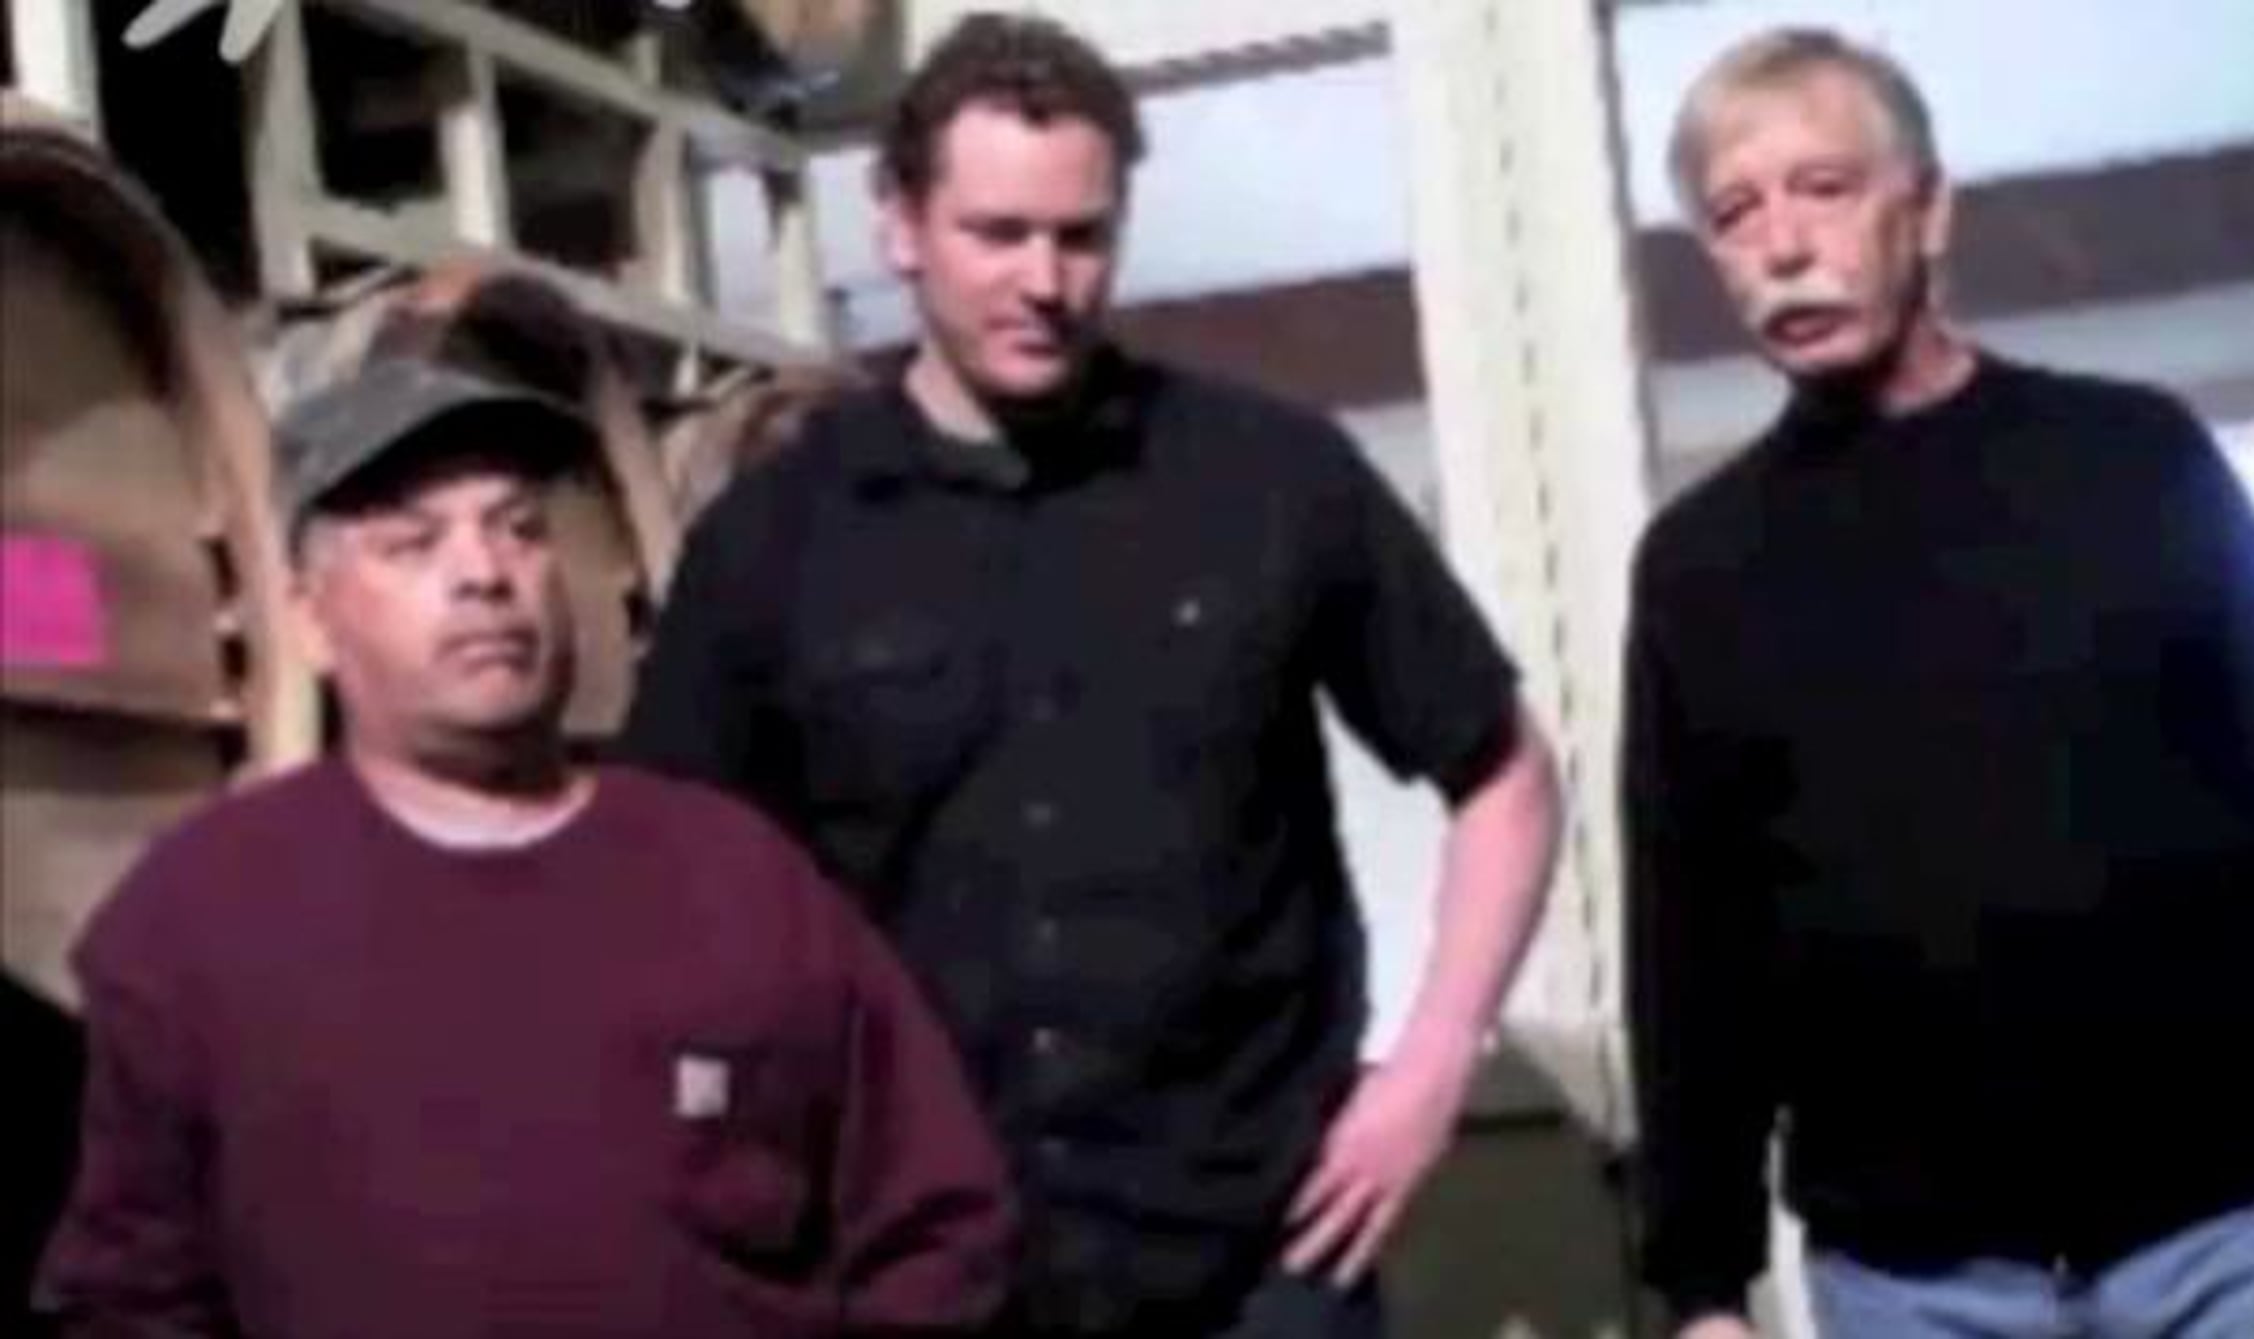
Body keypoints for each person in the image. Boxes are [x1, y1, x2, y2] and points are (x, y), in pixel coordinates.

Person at [621, 13, 1563, 1338]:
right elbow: (666, 890)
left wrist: (1429, 1072)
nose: (1045, 281)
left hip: (1259, 1258)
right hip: (929, 1269)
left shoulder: (1270, 479)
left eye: (1081, 236)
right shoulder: (775, 539)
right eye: (998, 234)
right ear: (899, 223)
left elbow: (1507, 777)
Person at [1621, 26, 2254, 1339]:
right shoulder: (1700, 569)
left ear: (1928, 210)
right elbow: (1691, 941)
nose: (1782, 243)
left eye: (1824, 187)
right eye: (1735, 212)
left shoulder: (2134, 459)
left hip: (2224, 1233)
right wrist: (1703, 1287)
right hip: (1908, 1279)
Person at [35, 358, 1015, 1337]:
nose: (485, 573)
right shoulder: (199, 915)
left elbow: (937, 1220)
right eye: (414, 543)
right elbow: (131, 1297)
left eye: (520, 528)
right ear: (309, 621)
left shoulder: (734, 875)